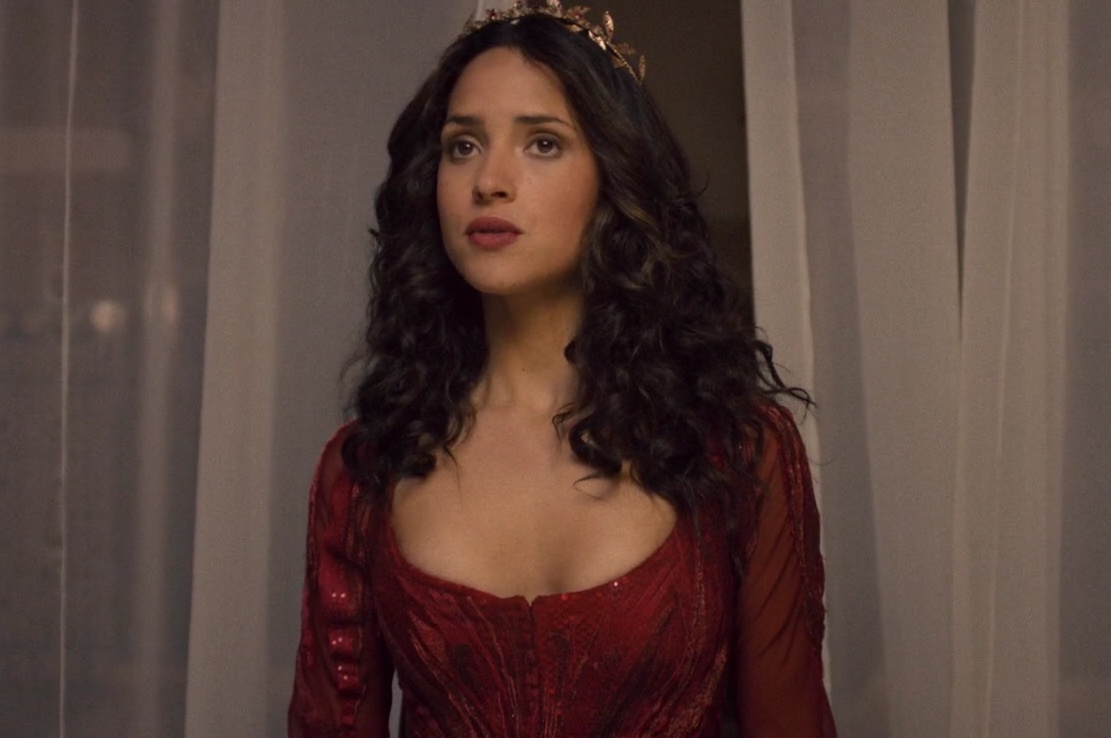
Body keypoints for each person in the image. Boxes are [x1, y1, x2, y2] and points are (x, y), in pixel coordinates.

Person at [287, 2, 835, 736]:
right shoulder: (367, 468)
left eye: (542, 142)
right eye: (462, 145)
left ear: (615, 178)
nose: (490, 180)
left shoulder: (736, 451)